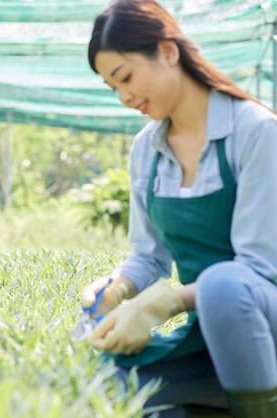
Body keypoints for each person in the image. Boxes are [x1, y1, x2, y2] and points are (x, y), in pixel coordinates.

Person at [83, 0, 277, 416]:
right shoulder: (146, 151)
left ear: (168, 52)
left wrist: (165, 303)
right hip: (208, 331)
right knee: (106, 380)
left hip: (264, 317)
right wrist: (115, 291)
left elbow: (259, 267)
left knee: (224, 285)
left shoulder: (256, 132)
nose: (124, 96)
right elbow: (148, 256)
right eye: (112, 87)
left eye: (126, 77)